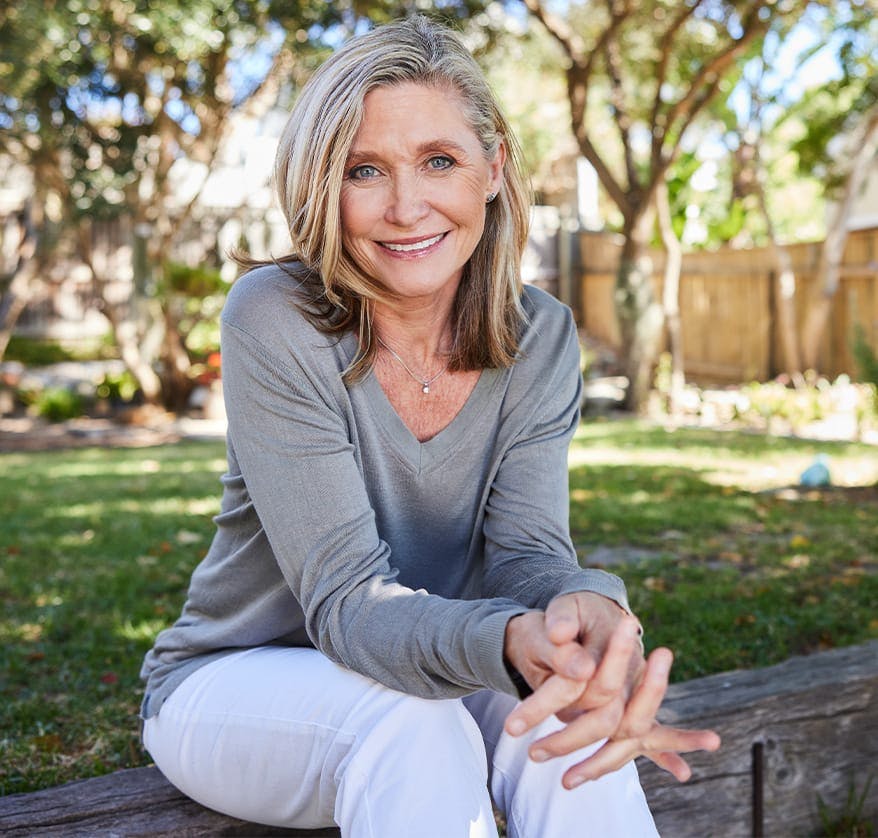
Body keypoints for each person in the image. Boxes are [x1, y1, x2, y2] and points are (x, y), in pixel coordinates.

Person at [140, 15, 719, 837]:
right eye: (364, 170)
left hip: (435, 664)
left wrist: (588, 614)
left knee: (559, 714)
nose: (406, 207)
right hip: (239, 681)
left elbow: (527, 556)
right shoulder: (276, 316)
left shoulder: (540, 333)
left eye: (439, 161)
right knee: (412, 722)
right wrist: (512, 637)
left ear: (492, 168)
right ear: (322, 186)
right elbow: (346, 601)